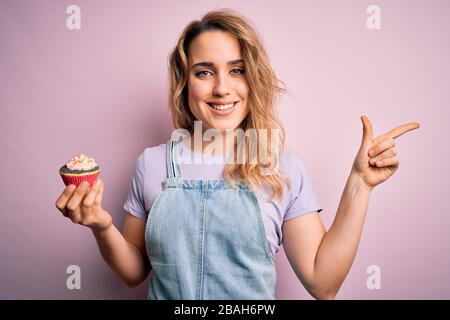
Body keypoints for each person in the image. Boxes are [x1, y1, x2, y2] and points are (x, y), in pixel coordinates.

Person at [55, 8, 420, 300]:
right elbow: (134, 273)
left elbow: (322, 284)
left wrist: (360, 184)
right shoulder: (151, 164)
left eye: (237, 70)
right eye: (203, 72)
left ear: (252, 79)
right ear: (185, 83)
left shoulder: (280, 165)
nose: (221, 88)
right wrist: (101, 227)